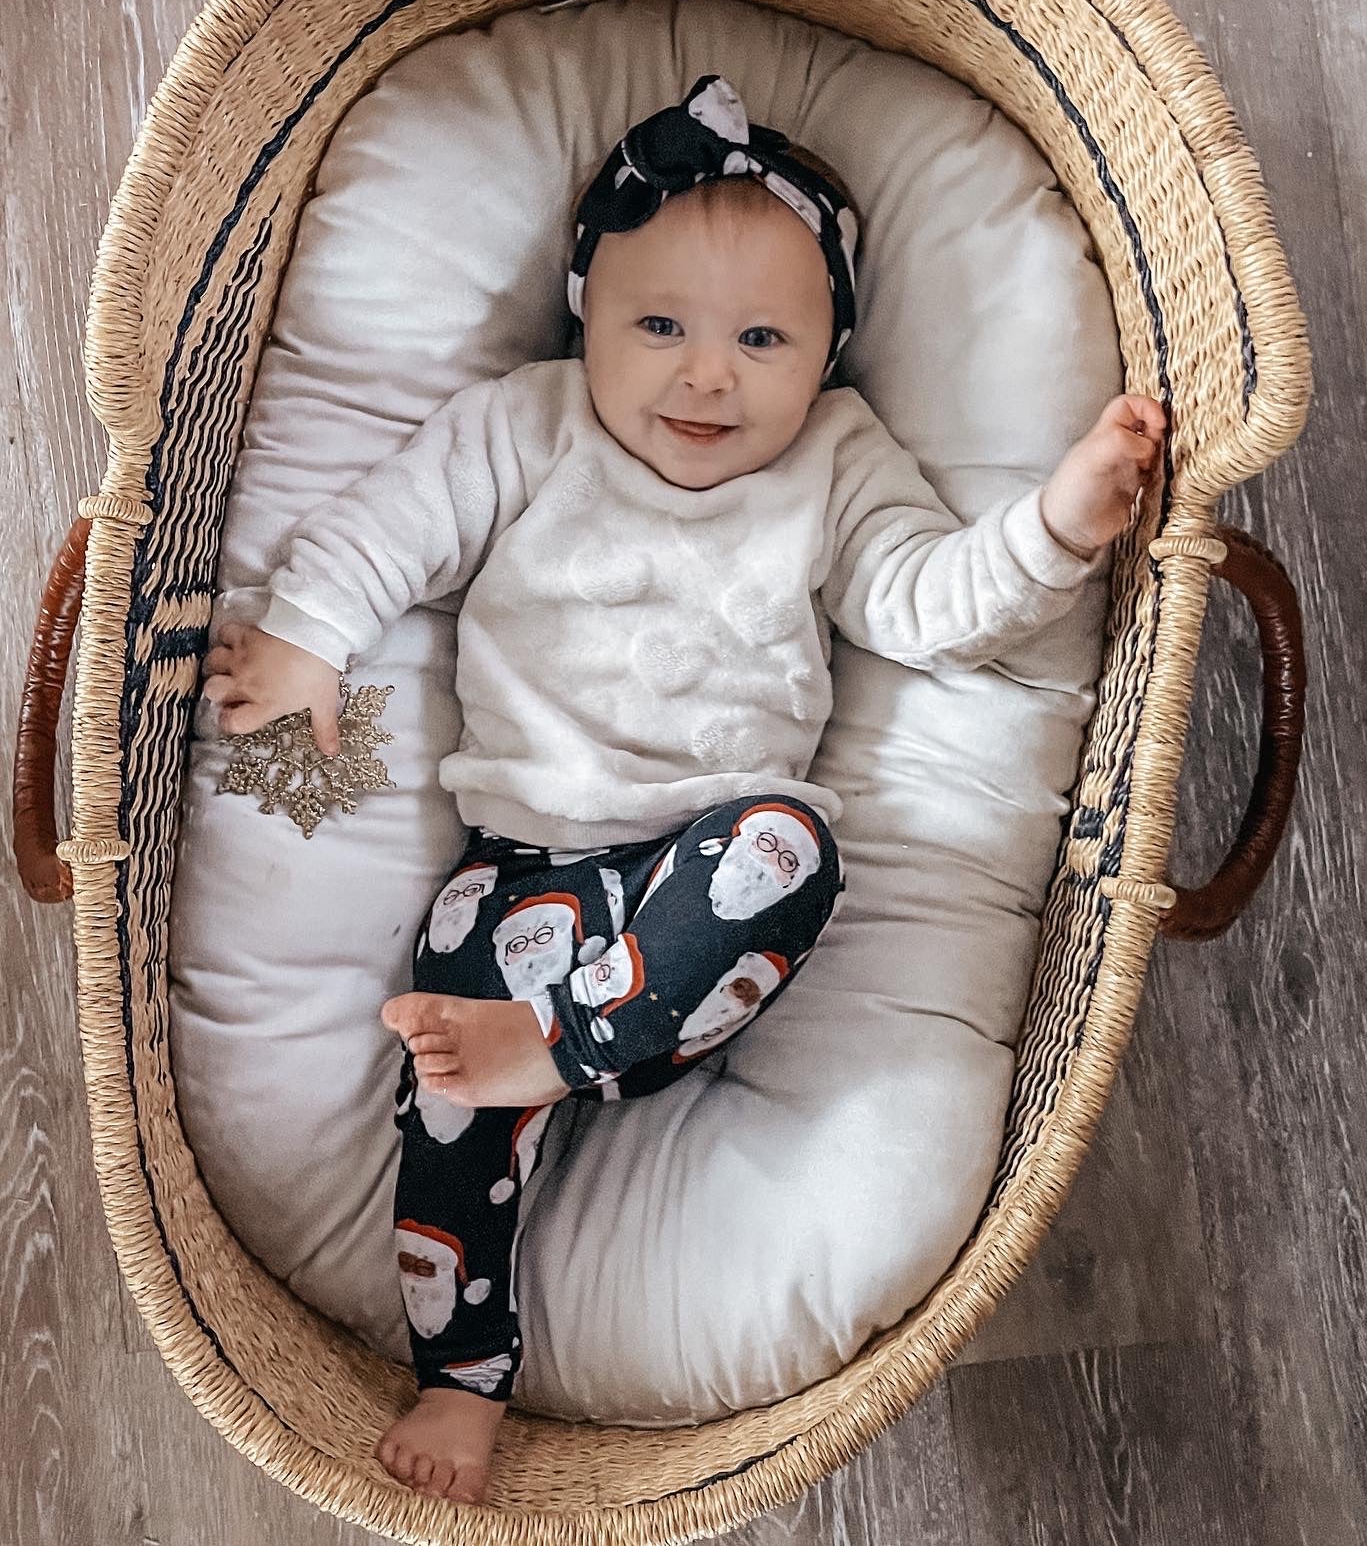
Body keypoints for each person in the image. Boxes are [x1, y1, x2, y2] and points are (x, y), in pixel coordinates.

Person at [201, 74, 1166, 1504]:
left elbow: (925, 599)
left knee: (794, 843)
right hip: (521, 872)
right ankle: (461, 1380)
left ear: (831, 353)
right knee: (447, 1100)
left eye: (764, 339)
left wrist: (1054, 529)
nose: (707, 377)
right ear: (584, 310)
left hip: (700, 906)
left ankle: (559, 1044)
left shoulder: (838, 464)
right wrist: (301, 643)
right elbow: (389, 526)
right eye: (659, 327)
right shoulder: (529, 428)